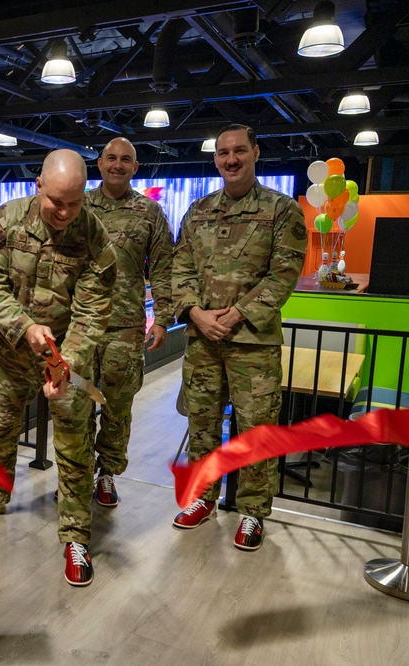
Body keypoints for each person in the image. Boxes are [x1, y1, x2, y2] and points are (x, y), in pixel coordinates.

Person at [0, 149, 116, 587]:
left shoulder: (95, 239)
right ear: (37, 186)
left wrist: (68, 366)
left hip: (65, 361)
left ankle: (76, 534)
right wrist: (23, 326)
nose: (64, 212)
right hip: (12, 353)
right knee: (2, 429)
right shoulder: (4, 221)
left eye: (75, 203)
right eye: (55, 201)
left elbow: (92, 312)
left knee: (74, 447)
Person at [170, 123, 307, 551]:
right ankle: (204, 499)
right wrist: (195, 312)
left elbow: (284, 274)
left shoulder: (282, 210)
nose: (231, 159)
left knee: (255, 431)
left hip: (254, 344)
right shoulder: (198, 211)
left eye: (239, 151)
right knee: (203, 426)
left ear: (255, 153)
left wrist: (235, 315)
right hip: (203, 342)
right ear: (215, 159)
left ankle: (251, 513)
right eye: (223, 152)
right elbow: (181, 268)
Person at [84, 137, 173, 508]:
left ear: (135, 168)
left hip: (125, 328)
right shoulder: (80, 205)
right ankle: (77, 475)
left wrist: (163, 319)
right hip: (81, 328)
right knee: (76, 408)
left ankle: (107, 474)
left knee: (117, 409)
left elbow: (166, 267)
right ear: (100, 164)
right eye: (111, 158)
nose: (117, 165)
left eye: (126, 160)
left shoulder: (149, 212)